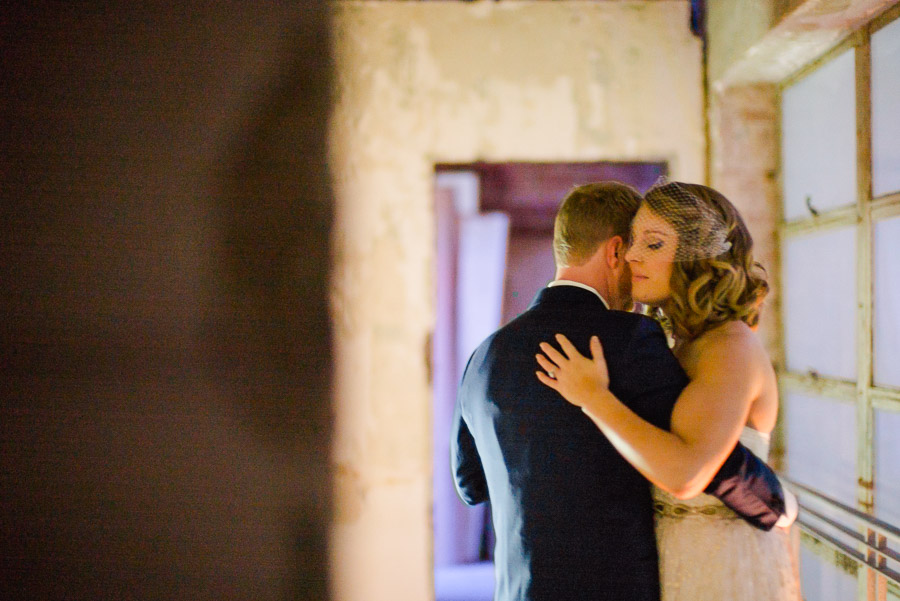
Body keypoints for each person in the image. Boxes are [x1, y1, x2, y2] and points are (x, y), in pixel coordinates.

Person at [451, 181, 791, 601]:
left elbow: (471, 485)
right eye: (634, 245)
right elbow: (711, 464)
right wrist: (777, 500)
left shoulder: (485, 355)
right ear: (614, 251)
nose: (634, 258)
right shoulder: (634, 341)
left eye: (651, 245)